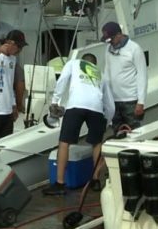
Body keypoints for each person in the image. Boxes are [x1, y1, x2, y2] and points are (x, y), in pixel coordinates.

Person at [42, 53, 114, 195]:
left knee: (64, 143)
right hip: (96, 108)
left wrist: (55, 101)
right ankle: (95, 180)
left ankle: (60, 184)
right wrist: (106, 122)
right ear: (95, 63)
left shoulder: (74, 63)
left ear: (83, 60)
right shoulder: (101, 74)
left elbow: (62, 81)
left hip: (76, 105)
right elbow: (110, 105)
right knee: (96, 143)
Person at [101, 21, 147, 136]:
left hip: (130, 100)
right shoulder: (108, 49)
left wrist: (141, 102)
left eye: (111, 39)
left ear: (119, 35)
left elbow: (142, 75)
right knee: (117, 132)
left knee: (135, 132)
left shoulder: (134, 49)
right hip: (113, 100)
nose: (109, 42)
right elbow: (107, 72)